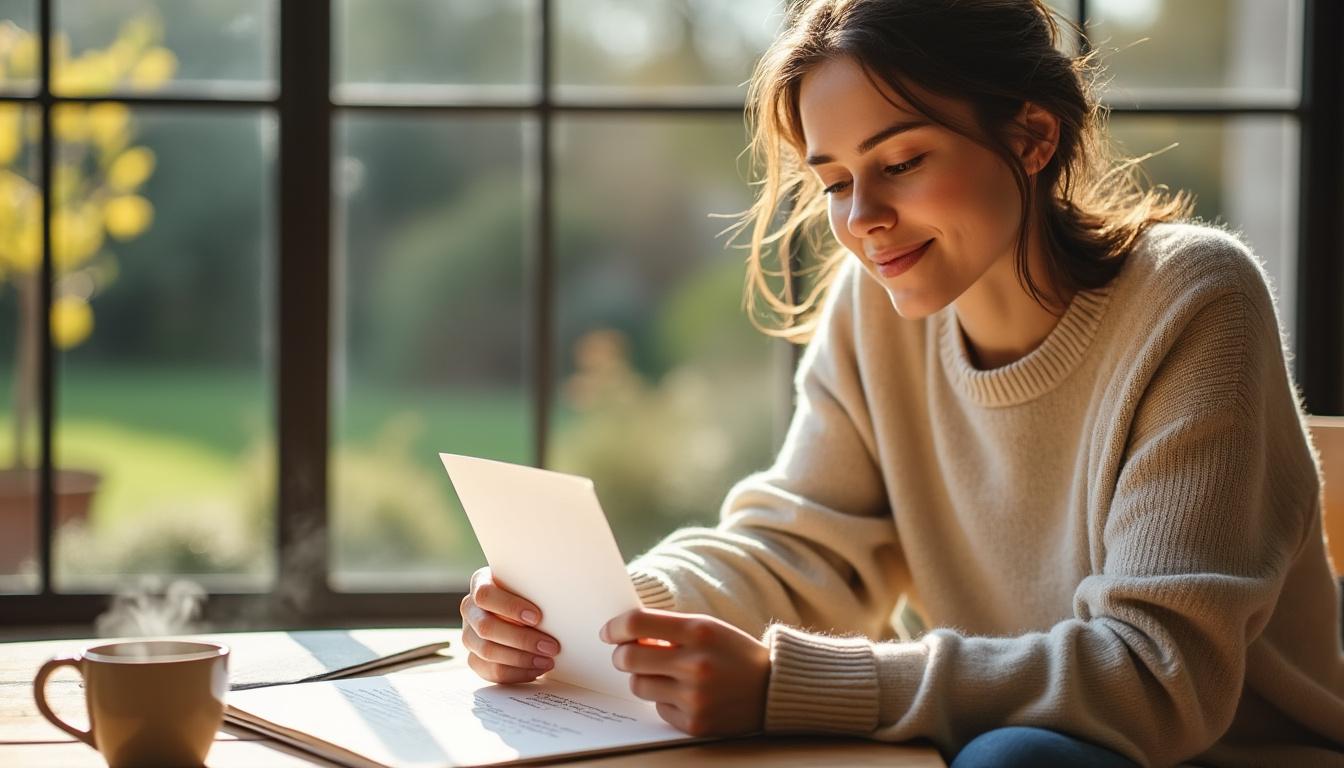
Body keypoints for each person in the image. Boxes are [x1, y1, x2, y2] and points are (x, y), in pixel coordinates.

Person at [458, 1, 1344, 765]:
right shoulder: (875, 308)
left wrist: (783, 685)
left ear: (1032, 136)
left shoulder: (1196, 301)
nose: (863, 220)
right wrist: (614, 614)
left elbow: (1157, 679)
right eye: (836, 181)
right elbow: (800, 549)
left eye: (903, 161)